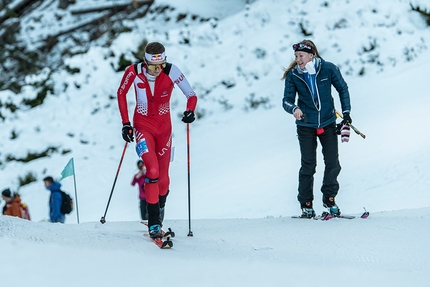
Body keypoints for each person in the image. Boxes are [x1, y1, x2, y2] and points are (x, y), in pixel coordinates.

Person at [117, 41, 197, 237]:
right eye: (153, 66)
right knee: (151, 170)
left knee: (163, 180)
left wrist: (190, 111)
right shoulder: (133, 72)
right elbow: (121, 93)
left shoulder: (171, 71)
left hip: (164, 130)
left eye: (161, 65)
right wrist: (126, 123)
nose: (157, 70)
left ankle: (159, 211)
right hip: (143, 127)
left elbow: (191, 94)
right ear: (145, 62)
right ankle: (153, 221)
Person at [282, 39, 352, 218]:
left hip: (328, 123)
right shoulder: (293, 75)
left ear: (311, 55)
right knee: (308, 165)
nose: (298, 59)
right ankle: (306, 204)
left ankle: (329, 199)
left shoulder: (328, 69)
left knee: (333, 163)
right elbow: (286, 100)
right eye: (296, 56)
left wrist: (346, 113)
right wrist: (294, 109)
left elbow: (342, 89)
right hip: (306, 125)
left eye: (301, 56)